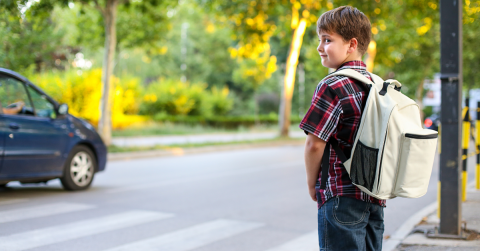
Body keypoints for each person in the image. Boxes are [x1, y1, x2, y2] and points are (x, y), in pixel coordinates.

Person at [299, 6, 385, 251]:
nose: (319, 47)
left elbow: (315, 143)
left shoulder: (332, 84)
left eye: (327, 40)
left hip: (340, 195)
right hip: (375, 195)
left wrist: (311, 182)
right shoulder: (378, 85)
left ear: (351, 44)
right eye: (320, 40)